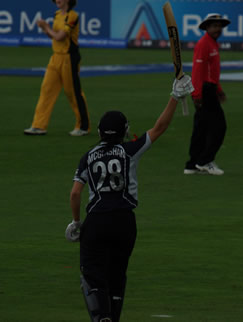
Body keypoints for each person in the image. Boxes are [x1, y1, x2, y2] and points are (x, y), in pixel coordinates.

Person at [65, 75, 193, 322]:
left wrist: (76, 222)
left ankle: (101, 317)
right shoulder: (129, 151)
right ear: (123, 131)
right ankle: (113, 317)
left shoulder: (87, 157)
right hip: (125, 222)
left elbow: (75, 193)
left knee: (92, 276)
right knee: (117, 274)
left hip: (96, 221)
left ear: (101, 132)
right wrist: (175, 97)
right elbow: (159, 128)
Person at [24, 0, 90, 136]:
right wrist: (45, 28)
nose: (57, 0)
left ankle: (83, 126)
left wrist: (45, 27)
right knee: (47, 89)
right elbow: (53, 36)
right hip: (55, 57)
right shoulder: (57, 14)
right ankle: (39, 125)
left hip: (69, 58)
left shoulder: (72, 16)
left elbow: (60, 36)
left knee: (72, 92)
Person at [184, 14, 230, 175]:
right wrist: (196, 94)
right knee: (219, 127)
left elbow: (212, 71)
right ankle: (205, 161)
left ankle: (192, 164)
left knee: (201, 128)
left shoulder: (213, 44)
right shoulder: (204, 44)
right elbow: (198, 71)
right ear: (207, 28)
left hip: (210, 89)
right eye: (214, 26)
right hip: (204, 91)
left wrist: (219, 89)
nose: (218, 29)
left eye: (219, 26)